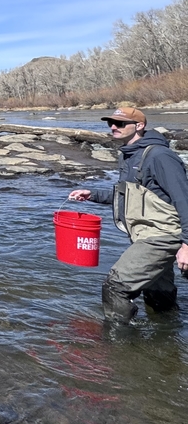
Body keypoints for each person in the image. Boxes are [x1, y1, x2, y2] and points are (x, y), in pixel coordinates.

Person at [68, 107, 188, 323]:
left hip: (161, 236)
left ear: (139, 126)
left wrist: (187, 245)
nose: (113, 127)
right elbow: (130, 195)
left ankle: (119, 343)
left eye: (120, 123)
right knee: (157, 295)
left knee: (116, 286)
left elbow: (184, 200)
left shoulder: (160, 157)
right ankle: (168, 342)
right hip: (146, 234)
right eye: (111, 123)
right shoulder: (129, 155)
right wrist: (92, 194)